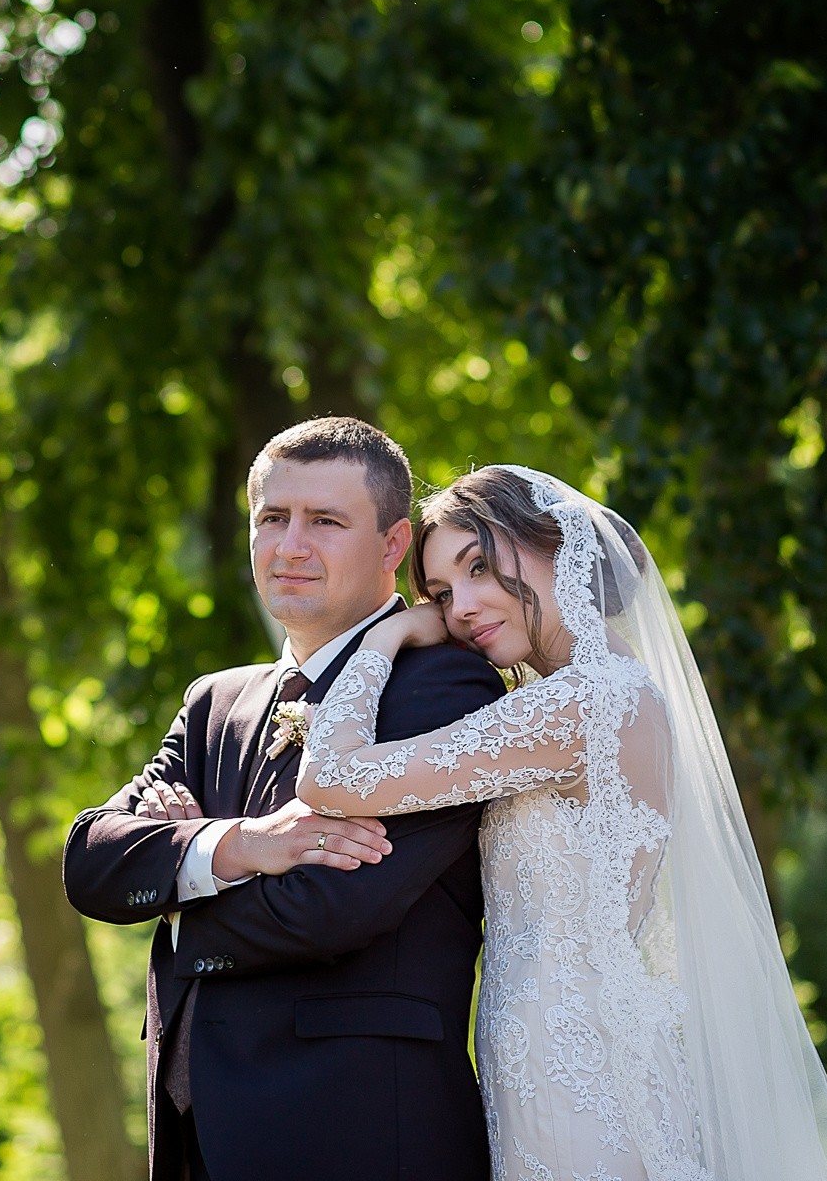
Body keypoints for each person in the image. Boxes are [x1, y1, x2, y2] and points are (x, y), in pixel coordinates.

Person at [295, 465, 827, 1181]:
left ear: (559, 546)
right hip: (566, 1050)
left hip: (574, 1063)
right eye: (441, 594)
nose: (461, 607)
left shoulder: (583, 705)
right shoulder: (601, 693)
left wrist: (392, 634)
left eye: (479, 567)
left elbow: (329, 776)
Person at [63, 418, 507, 1181]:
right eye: (272, 518)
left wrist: (176, 885)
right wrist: (237, 846)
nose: (289, 546)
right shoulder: (214, 703)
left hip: (359, 1138)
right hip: (195, 1143)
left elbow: (328, 908)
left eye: (325, 522)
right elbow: (90, 862)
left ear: (394, 546)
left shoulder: (444, 687)